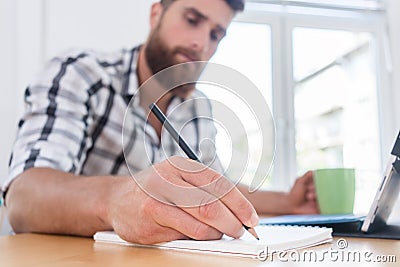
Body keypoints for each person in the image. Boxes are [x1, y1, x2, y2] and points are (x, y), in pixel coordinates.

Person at [2, 0, 318, 244]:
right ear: (156, 14)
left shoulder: (197, 110)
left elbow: (216, 190)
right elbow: (23, 198)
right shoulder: (83, 75)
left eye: (216, 34)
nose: (201, 44)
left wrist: (288, 201)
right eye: (191, 20)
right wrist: (115, 200)